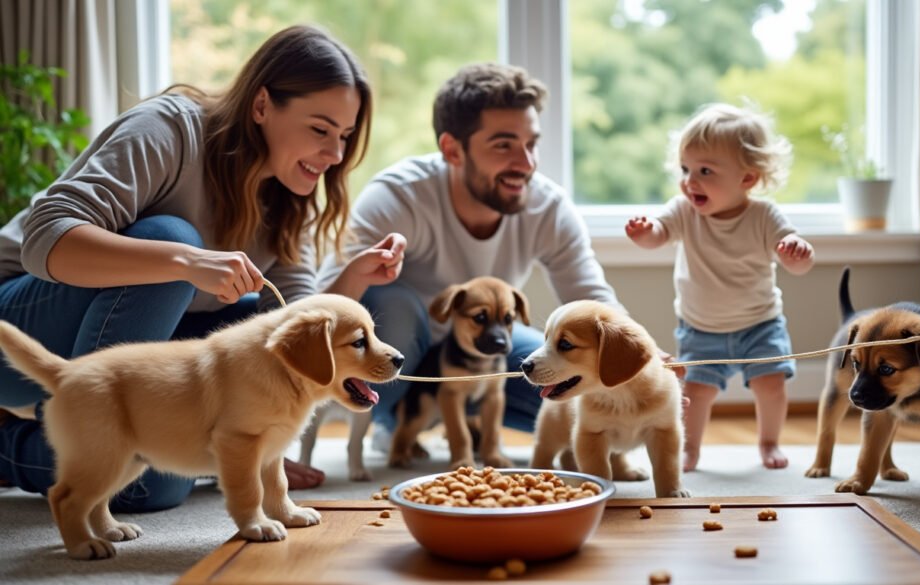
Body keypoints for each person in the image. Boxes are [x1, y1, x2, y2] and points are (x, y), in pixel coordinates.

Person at [0, 25, 404, 512]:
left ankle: (47, 434)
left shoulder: (291, 198)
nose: (336, 154)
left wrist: (260, 440)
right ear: (260, 106)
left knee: (158, 482)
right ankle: (72, 425)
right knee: (170, 238)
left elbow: (297, 326)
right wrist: (184, 261)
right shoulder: (169, 130)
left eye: (344, 136)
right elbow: (45, 238)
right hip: (26, 315)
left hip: (134, 333)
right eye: (320, 129)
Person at [319, 62, 620, 444]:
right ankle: (391, 418)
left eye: (531, 144)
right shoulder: (399, 196)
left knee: (571, 397)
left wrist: (638, 357)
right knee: (392, 304)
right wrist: (362, 274)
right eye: (504, 145)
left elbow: (593, 299)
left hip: (485, 354)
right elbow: (320, 309)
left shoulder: (548, 207)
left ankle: (468, 420)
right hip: (403, 355)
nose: (525, 164)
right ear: (452, 150)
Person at [624, 103, 814, 472]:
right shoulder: (683, 210)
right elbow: (658, 235)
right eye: (686, 169)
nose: (690, 181)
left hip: (760, 324)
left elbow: (797, 260)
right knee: (695, 394)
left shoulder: (765, 216)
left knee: (771, 385)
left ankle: (769, 441)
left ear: (748, 179)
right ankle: (689, 448)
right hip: (701, 328)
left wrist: (797, 254)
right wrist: (645, 233)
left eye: (705, 171)